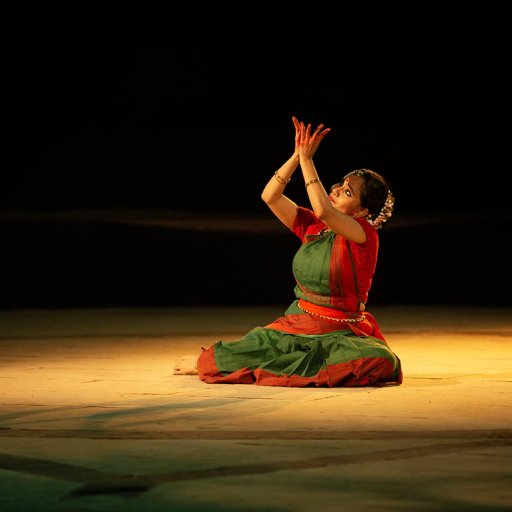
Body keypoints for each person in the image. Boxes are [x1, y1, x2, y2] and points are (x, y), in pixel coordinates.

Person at [174, 116, 402, 387]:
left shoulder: (364, 234)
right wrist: (296, 156)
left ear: (363, 211)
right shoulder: (314, 227)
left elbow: (324, 210)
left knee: (377, 360)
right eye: (340, 184)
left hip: (340, 331)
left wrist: (308, 160)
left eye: (348, 192)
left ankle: (296, 366)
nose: (337, 190)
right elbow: (270, 196)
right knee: (235, 354)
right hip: (297, 321)